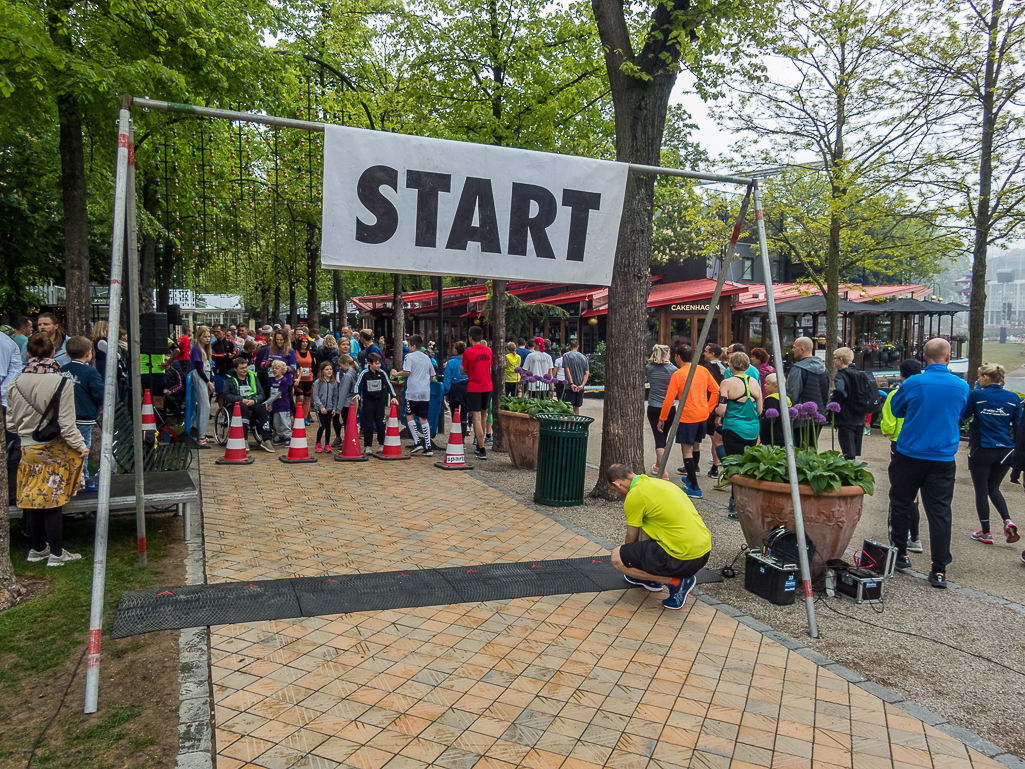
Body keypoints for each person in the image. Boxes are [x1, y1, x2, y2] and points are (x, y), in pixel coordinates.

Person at [887, 338, 969, 588]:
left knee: (901, 503)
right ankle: (939, 568)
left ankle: (900, 554)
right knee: (940, 511)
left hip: (911, 452)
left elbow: (897, 409)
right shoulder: (962, 385)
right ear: (948, 357)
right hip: (942, 457)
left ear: (924, 356)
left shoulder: (913, 382)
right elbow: (961, 413)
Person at [7, 333, 89, 566]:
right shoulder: (62, 383)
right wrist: (81, 446)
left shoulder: (15, 384)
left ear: (29, 354)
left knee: (34, 498)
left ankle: (37, 548)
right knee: (53, 499)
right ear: (54, 354)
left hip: (27, 447)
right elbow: (66, 423)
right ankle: (56, 552)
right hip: (54, 448)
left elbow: (11, 423)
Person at [607, 464, 711, 610]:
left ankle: (675, 582)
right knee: (644, 541)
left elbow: (631, 538)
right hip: (703, 552)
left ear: (617, 483)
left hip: (683, 558)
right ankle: (649, 580)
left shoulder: (635, 495)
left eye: (616, 490)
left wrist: (628, 563)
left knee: (617, 557)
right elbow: (646, 531)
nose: (619, 495)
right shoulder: (660, 483)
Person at [962, 363, 1020, 546]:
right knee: (994, 487)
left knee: (981, 490)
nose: (978, 380)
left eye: (979, 377)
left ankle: (986, 532)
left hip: (983, 448)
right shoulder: (1013, 398)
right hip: (1006, 449)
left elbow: (964, 415)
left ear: (985, 378)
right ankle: (1007, 520)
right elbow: (1018, 426)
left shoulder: (978, 395)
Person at [658, 345, 719, 499]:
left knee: (687, 451)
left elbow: (668, 400)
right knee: (696, 446)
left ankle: (695, 488)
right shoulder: (703, 370)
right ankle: (691, 479)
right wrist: (708, 408)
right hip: (702, 415)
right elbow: (716, 390)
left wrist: (662, 418)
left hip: (687, 416)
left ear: (678, 357)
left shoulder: (678, 374)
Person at [881, 359, 923, 553]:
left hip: (900, 444)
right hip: (923, 445)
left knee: (900, 493)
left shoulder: (897, 393)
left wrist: (887, 429)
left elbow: (888, 423)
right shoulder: (925, 391)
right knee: (916, 495)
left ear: (901, 374)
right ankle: (915, 537)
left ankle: (899, 540)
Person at [716, 352, 763, 517]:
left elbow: (721, 410)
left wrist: (717, 411)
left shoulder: (727, 383)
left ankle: (735, 503)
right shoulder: (755, 383)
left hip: (733, 428)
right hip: (752, 430)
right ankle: (747, 501)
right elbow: (759, 410)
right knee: (746, 465)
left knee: (734, 465)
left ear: (731, 365)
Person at [60, 336, 104, 491]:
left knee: (68, 447)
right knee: (83, 447)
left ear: (67, 353)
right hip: (84, 415)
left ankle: (69, 477)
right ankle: (83, 479)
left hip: (66, 416)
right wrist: (101, 403)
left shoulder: (63, 370)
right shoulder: (90, 372)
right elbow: (98, 392)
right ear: (88, 353)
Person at [392, 334, 436, 457]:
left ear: (413, 346)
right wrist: (426, 383)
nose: (407, 347)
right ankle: (428, 446)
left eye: (408, 345)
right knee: (423, 418)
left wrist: (395, 373)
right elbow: (432, 375)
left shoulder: (409, 357)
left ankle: (417, 441)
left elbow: (407, 371)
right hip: (424, 392)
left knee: (409, 415)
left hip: (412, 392)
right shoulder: (427, 358)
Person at [786, 337, 830, 448]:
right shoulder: (824, 369)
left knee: (800, 449)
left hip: (800, 417)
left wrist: (788, 412)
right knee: (812, 447)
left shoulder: (798, 369)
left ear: (802, 349)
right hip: (818, 415)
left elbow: (792, 394)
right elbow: (826, 394)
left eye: (794, 347)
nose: (792, 350)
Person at [224, 357, 273, 452]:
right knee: (243, 408)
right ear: (235, 369)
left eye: (246, 367)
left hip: (252, 401)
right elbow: (227, 395)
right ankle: (244, 439)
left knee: (261, 408)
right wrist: (240, 399)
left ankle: (266, 439)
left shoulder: (253, 377)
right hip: (238, 403)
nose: (244, 370)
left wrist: (254, 400)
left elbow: (261, 393)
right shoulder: (229, 380)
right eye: (242, 368)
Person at [829, 347, 870, 460]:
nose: (833, 360)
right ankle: (854, 473)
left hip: (846, 417)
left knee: (848, 452)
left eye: (835, 358)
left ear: (841, 360)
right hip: (859, 417)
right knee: (853, 453)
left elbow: (841, 391)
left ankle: (849, 474)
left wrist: (834, 402)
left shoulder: (840, 375)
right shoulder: (859, 374)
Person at [461, 327, 493, 461]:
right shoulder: (489, 350)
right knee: (484, 416)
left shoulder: (468, 353)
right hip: (487, 386)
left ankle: (481, 448)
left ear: (470, 337)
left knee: (477, 418)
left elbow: (462, 370)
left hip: (474, 387)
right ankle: (481, 443)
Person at [646, 344, 677, 479]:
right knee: (663, 437)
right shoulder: (674, 370)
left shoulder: (649, 368)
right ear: (666, 354)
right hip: (669, 408)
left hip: (653, 407)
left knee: (658, 438)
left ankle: (660, 468)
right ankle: (660, 467)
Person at [355, 352, 395, 454]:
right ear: (370, 363)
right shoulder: (364, 373)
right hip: (368, 401)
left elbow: (389, 385)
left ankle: (382, 444)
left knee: (381, 423)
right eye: (376, 363)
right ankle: (367, 446)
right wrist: (357, 394)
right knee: (368, 424)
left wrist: (393, 396)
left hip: (379, 401)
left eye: (379, 363)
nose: (378, 365)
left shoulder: (382, 373)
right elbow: (357, 384)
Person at [701, 343, 726, 479]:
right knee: (716, 439)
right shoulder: (726, 368)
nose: (703, 353)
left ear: (712, 354)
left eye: (706, 351)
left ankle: (713, 466)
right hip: (721, 406)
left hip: (709, 405)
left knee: (712, 438)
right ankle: (715, 467)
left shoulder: (707, 369)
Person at [190, 325, 214, 449]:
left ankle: (200, 431)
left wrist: (210, 381)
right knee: (205, 405)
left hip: (205, 376)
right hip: (200, 377)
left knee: (204, 405)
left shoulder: (205, 350)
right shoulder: (197, 349)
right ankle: (201, 436)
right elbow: (199, 368)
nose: (207, 339)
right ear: (199, 337)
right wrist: (208, 382)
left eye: (209, 336)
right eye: (204, 336)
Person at [444, 341, 469, 440]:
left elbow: (447, 379)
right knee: (464, 414)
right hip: (466, 387)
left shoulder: (450, 363)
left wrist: (446, 392)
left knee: (455, 413)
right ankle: (462, 440)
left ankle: (456, 437)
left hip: (455, 388)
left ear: (455, 350)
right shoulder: (467, 361)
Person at [264, 360, 294, 443]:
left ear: (282, 370)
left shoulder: (284, 380)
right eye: (273, 368)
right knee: (276, 423)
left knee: (285, 421)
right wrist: (270, 405)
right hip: (276, 406)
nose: (274, 370)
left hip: (283, 405)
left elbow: (278, 394)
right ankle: (280, 436)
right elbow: (271, 393)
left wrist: (267, 402)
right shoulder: (272, 380)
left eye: (277, 368)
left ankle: (287, 436)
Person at [312, 361, 340, 453]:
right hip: (320, 409)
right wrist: (320, 406)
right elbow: (315, 395)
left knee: (328, 426)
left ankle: (327, 444)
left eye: (330, 369)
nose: (329, 371)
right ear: (322, 371)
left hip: (330, 408)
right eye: (327, 369)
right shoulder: (318, 382)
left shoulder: (334, 383)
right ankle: (318, 443)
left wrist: (334, 408)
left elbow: (335, 396)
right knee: (322, 425)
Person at [759, 373, 790, 448]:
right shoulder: (786, 398)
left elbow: (770, 419)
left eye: (768, 384)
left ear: (776, 386)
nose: (764, 385)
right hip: (785, 433)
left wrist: (758, 424)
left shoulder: (771, 399)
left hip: (773, 436)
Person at [211, 324, 238, 408]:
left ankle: (230, 413)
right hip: (219, 373)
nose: (216, 333)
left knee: (232, 394)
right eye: (215, 332)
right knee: (220, 394)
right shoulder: (213, 344)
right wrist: (226, 355)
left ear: (224, 332)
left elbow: (233, 355)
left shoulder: (231, 343)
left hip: (231, 373)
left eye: (218, 332)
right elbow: (214, 356)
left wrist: (222, 356)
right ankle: (222, 414)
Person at [335, 354, 359, 446]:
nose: (340, 368)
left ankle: (348, 443)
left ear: (346, 364)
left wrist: (338, 408)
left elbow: (343, 393)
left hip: (346, 404)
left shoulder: (347, 376)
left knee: (347, 425)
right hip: (353, 402)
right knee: (351, 424)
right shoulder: (356, 373)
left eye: (341, 365)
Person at [561, 339, 590, 416]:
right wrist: (582, 385)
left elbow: (567, 370)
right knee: (576, 406)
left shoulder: (566, 356)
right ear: (578, 346)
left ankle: (568, 424)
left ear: (570, 346)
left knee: (568, 406)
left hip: (569, 386)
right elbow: (586, 373)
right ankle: (576, 424)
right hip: (580, 386)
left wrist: (571, 383)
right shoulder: (584, 357)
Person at [294, 336, 316, 423]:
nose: (304, 343)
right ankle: (298, 416)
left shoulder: (311, 353)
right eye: (303, 342)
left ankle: (305, 417)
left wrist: (316, 376)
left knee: (307, 399)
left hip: (308, 378)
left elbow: (314, 366)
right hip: (298, 378)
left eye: (306, 342)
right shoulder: (295, 353)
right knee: (300, 398)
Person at [1, 330, 23, 411]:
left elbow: (15, 370)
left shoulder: (5, 341)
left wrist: (2, 391)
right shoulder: (7, 341)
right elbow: (16, 370)